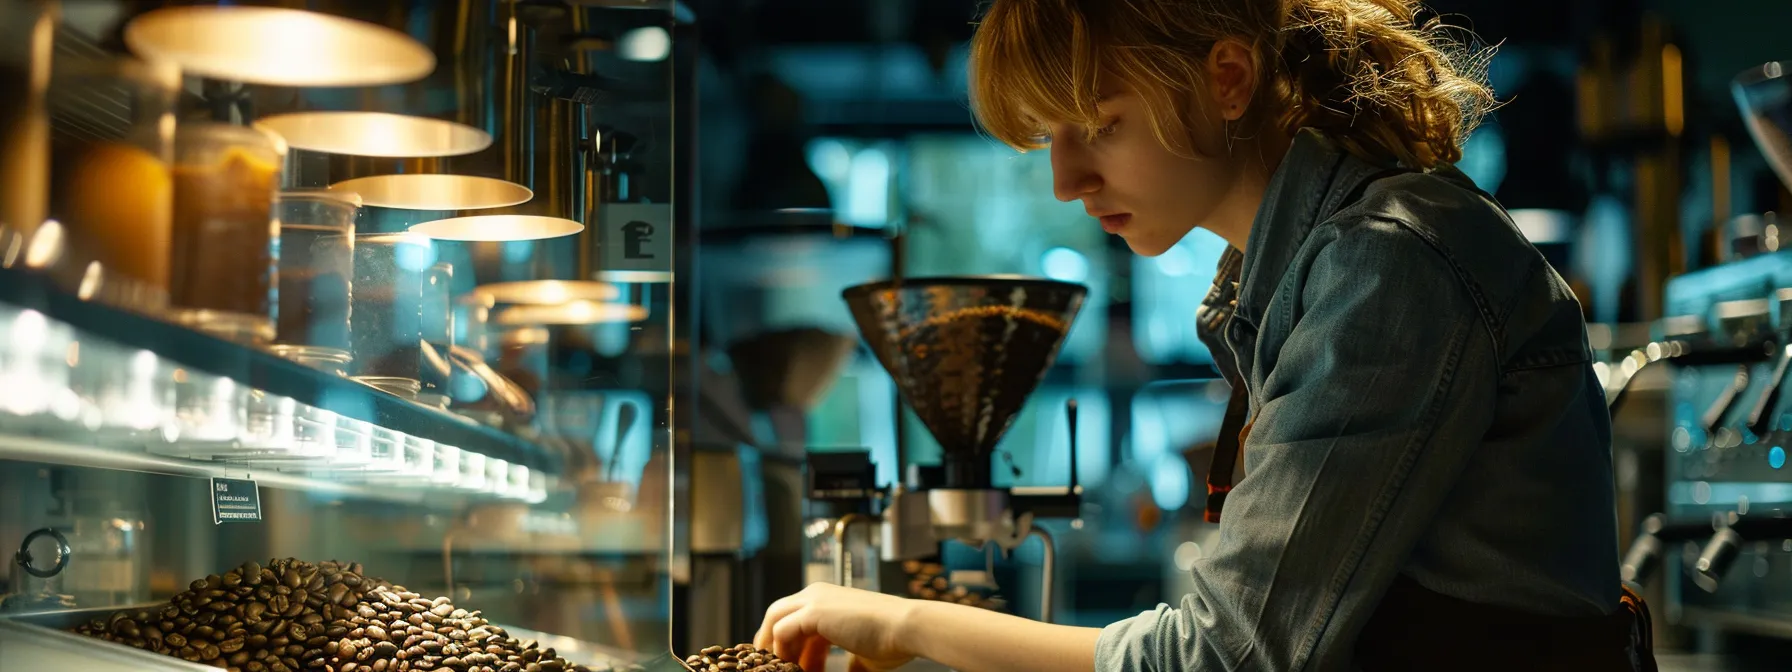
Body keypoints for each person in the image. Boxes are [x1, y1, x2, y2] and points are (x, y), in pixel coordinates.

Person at [754, 0, 1656, 670]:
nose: (1066, 178)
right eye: (1049, 139)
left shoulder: (1386, 267)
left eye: (1100, 125)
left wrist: (905, 623)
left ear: (1227, 78)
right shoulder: (1294, 275)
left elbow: (1226, 658)